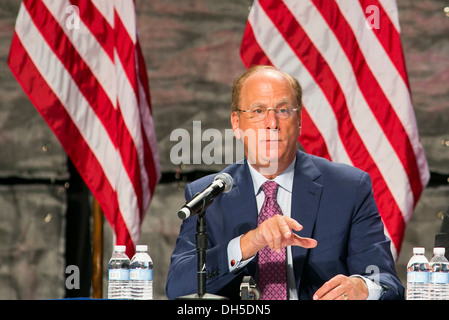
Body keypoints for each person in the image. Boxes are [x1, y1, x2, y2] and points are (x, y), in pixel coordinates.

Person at [166, 65, 404, 300]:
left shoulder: (349, 189)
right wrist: (249, 243)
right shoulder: (209, 195)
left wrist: (362, 288)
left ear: (299, 121)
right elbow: (178, 286)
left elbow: (388, 283)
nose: (272, 123)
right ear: (237, 124)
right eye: (258, 111)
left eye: (283, 110)